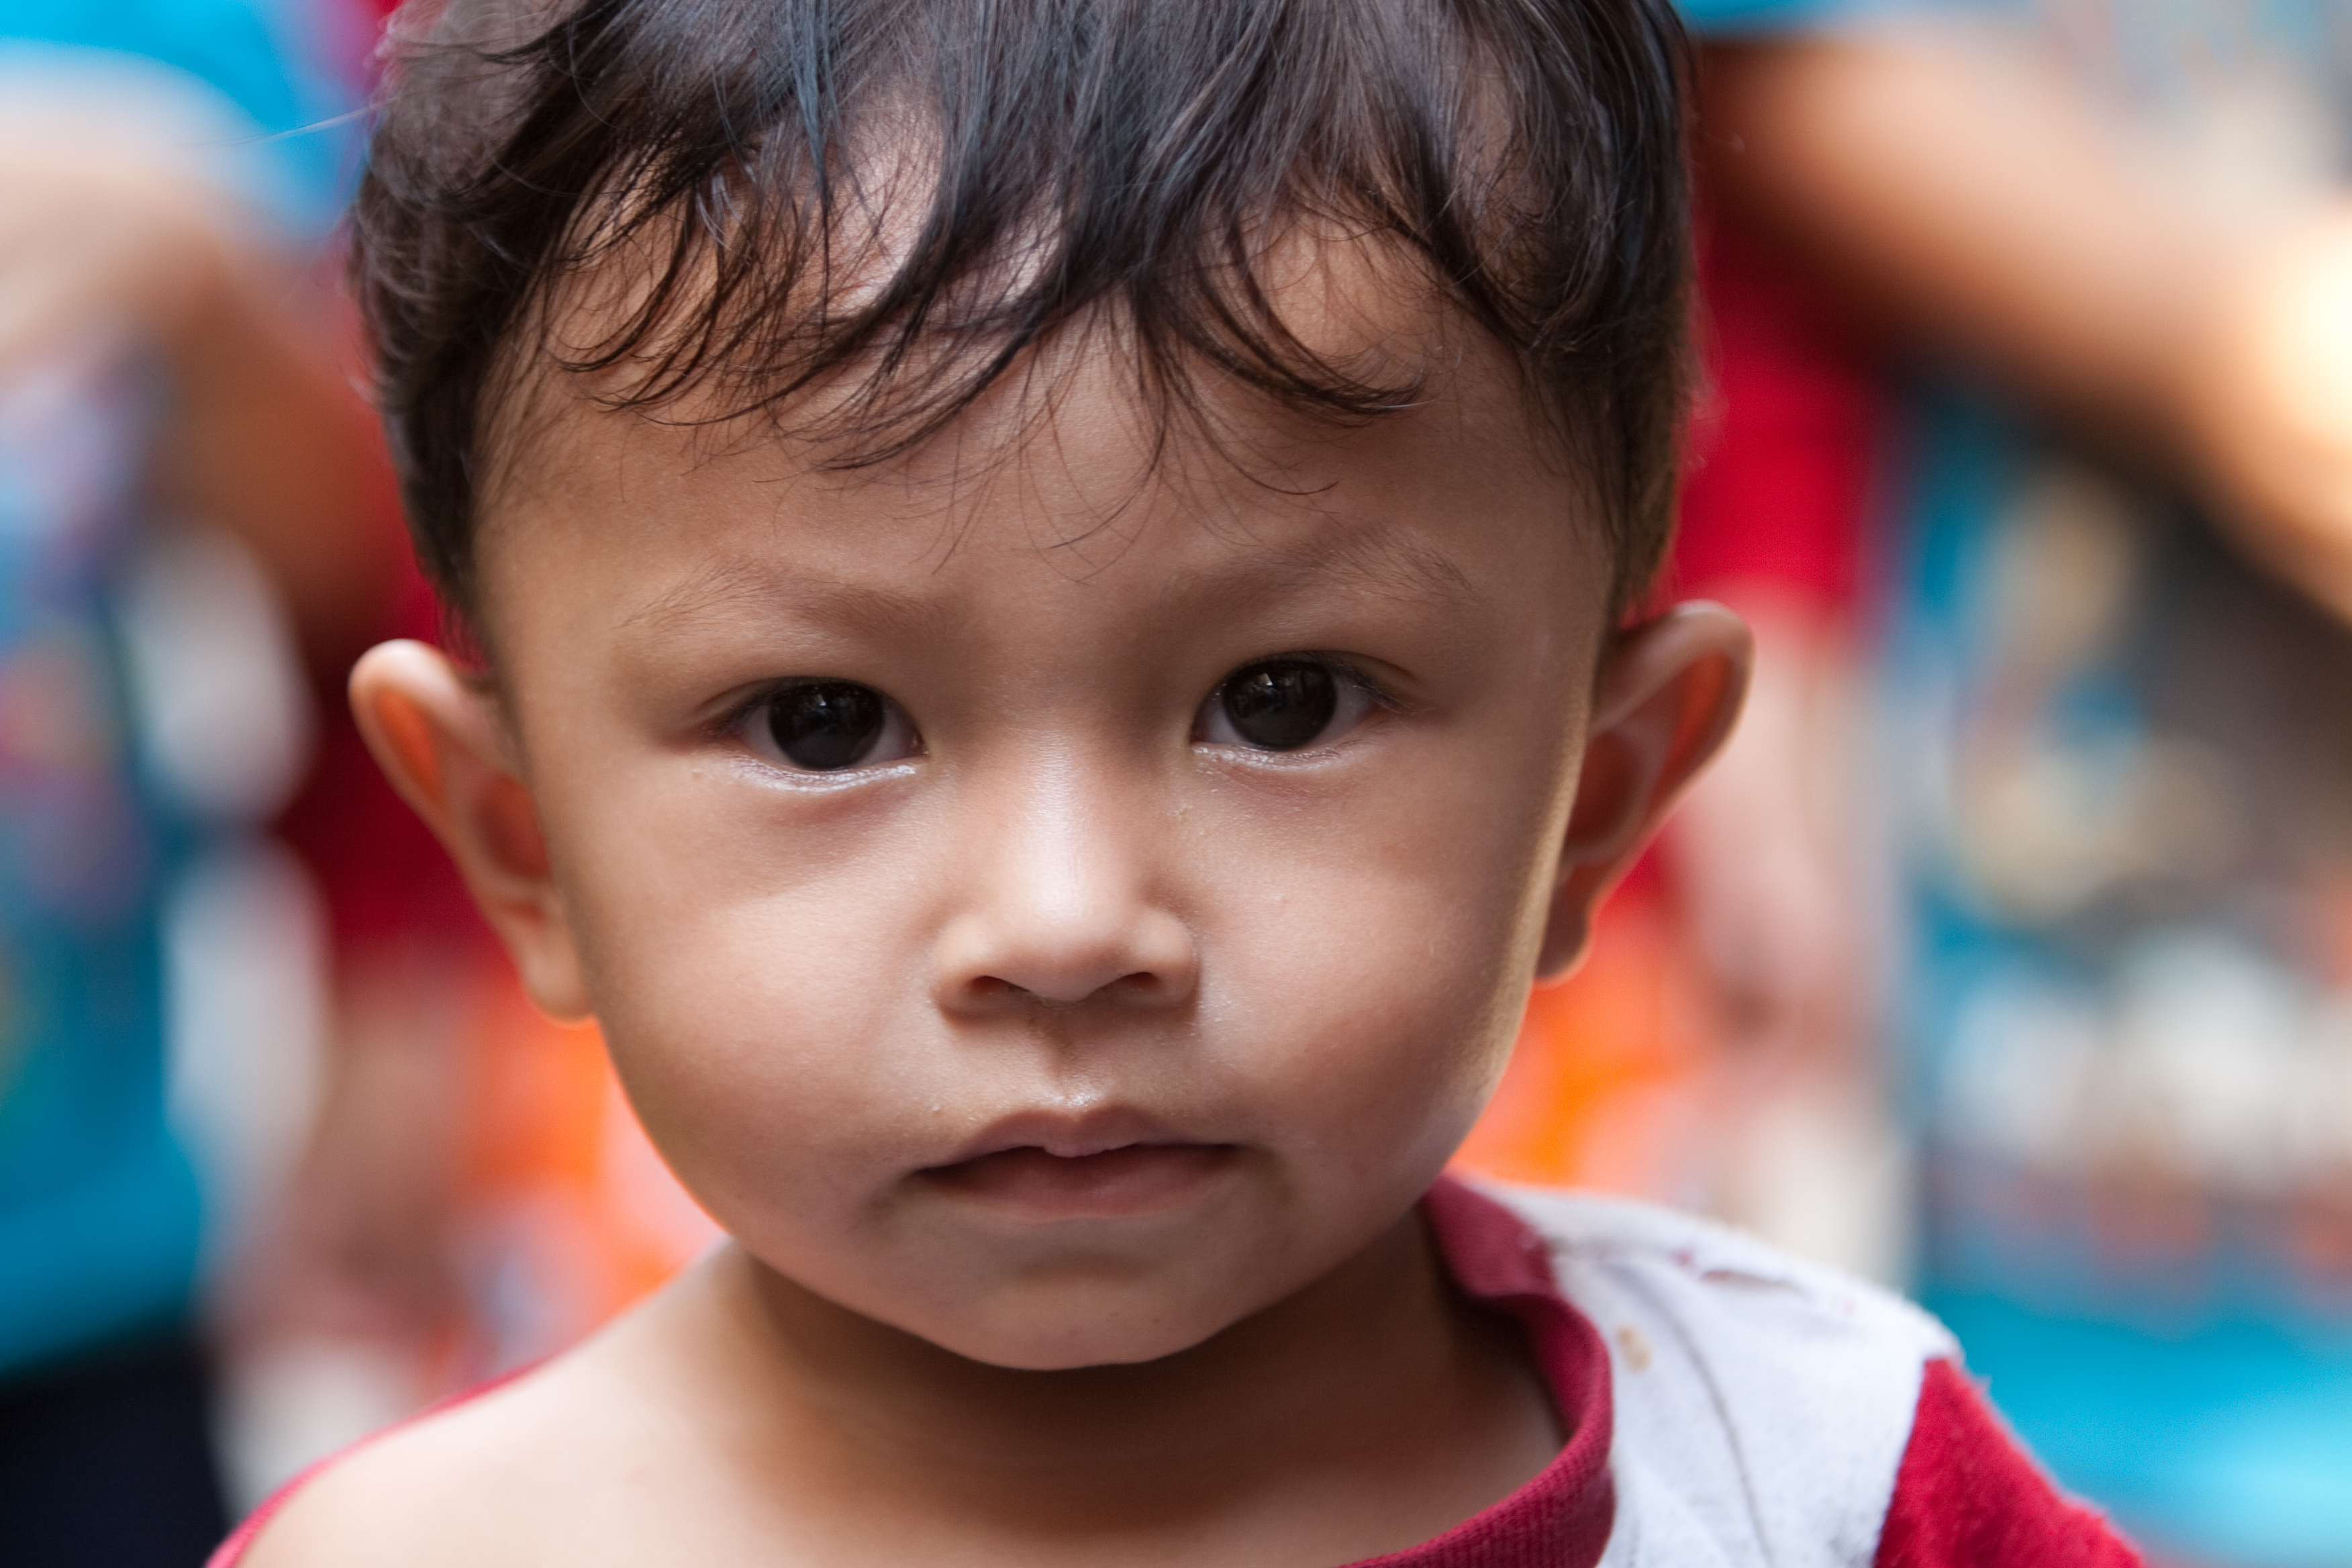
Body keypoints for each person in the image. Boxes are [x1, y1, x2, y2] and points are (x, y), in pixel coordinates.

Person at [220, 0, 2140, 1562]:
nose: (1066, 925)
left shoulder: (1823, 1484)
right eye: (825, 725)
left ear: (1599, 794)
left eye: (1285, 702)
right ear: (518, 840)